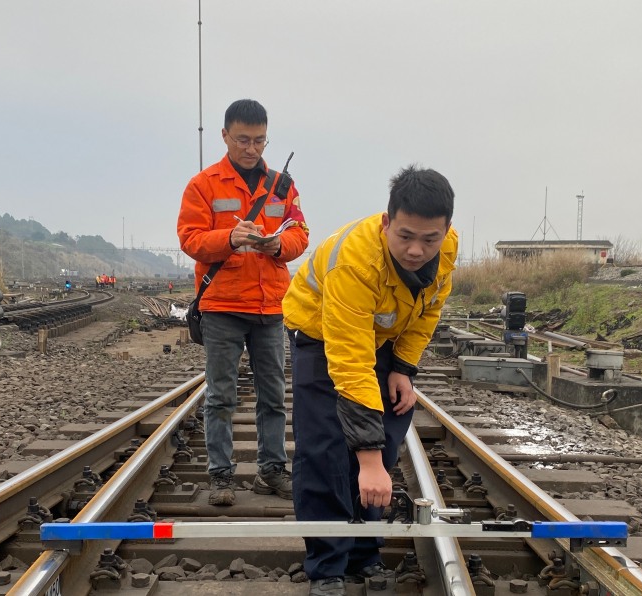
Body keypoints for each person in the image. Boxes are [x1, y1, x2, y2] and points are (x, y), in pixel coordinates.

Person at [282, 165, 457, 596]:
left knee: (386, 432)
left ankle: (363, 552)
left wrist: (403, 368)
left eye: (429, 239)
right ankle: (326, 567)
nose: (417, 250)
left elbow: (428, 310)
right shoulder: (355, 262)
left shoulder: (446, 250)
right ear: (386, 223)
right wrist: (368, 459)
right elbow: (350, 362)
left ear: (446, 231)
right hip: (322, 337)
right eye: (405, 236)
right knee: (327, 449)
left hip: (381, 338)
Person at [177, 99, 309, 506]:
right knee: (220, 395)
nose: (252, 149)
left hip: (270, 307)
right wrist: (230, 238)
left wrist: (277, 245)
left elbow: (300, 235)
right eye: (243, 140)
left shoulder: (282, 185)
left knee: (274, 395)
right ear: (225, 136)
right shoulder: (204, 185)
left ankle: (271, 471)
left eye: (259, 140)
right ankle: (220, 476)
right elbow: (190, 239)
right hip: (222, 307)